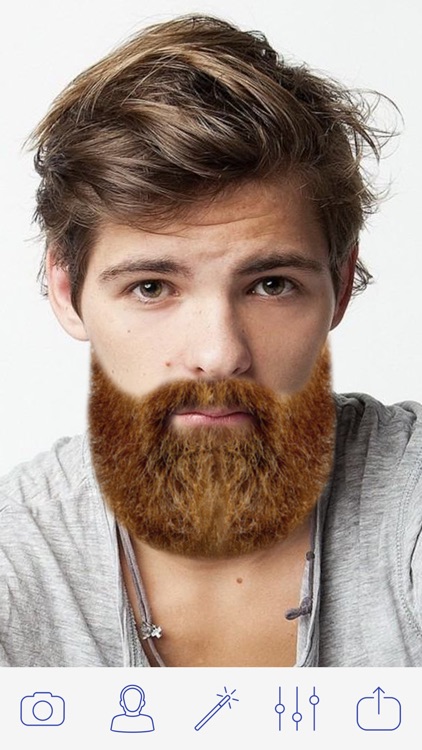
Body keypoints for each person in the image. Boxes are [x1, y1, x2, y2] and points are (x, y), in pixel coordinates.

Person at [1, 13, 420, 669]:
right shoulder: (18, 559)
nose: (220, 354)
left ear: (339, 286)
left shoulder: (407, 502)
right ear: (65, 288)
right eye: (151, 287)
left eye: (271, 285)